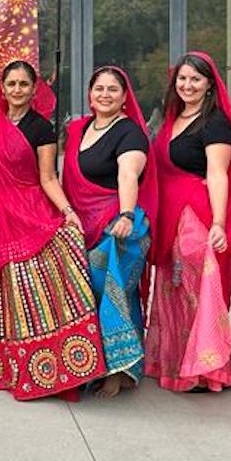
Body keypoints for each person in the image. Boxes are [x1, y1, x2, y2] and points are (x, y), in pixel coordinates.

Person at [0, 61, 107, 399]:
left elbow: (48, 177)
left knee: (31, 293)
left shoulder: (41, 129)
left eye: (23, 84)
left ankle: (50, 369)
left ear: (34, 90)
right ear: (1, 89)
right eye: (11, 84)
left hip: (30, 213)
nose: (17, 90)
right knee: (5, 295)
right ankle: (9, 369)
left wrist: (68, 212)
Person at [145, 52, 231, 393]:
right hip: (170, 214)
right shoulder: (172, 119)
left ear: (209, 84)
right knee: (173, 287)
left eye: (195, 79)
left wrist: (217, 222)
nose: (188, 85)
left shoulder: (215, 122)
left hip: (196, 215)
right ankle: (175, 362)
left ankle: (205, 368)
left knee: (199, 289)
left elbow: (218, 173)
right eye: (182, 79)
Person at [61, 66, 157, 400]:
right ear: (90, 93)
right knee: (89, 296)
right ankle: (93, 364)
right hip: (83, 225)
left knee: (112, 293)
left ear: (124, 95)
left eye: (113, 89)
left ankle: (121, 370)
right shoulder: (79, 129)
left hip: (119, 227)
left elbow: (128, 175)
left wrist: (126, 215)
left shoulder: (129, 132)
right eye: (99, 88)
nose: (105, 94)